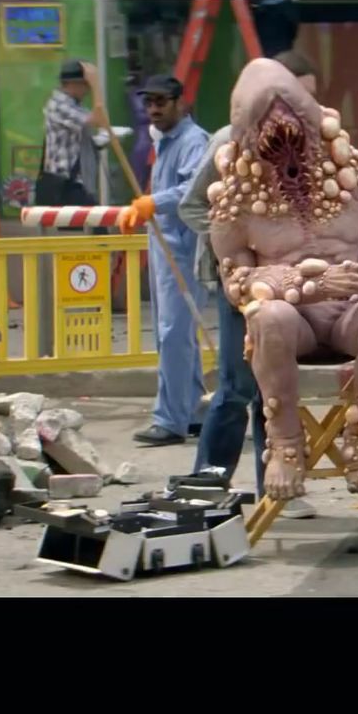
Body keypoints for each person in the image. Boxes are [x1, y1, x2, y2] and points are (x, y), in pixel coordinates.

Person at [178, 51, 319, 517]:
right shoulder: (228, 141)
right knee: (238, 387)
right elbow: (192, 206)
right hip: (237, 283)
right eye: (300, 95)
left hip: (291, 284)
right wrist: (238, 242)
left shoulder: (316, 146)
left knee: (273, 385)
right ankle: (207, 485)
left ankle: (274, 490)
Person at [119, 75, 210, 447]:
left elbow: (193, 189)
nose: (153, 110)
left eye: (161, 102)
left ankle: (169, 420)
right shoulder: (165, 142)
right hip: (163, 246)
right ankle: (192, 411)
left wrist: (153, 202)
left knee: (174, 334)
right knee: (172, 335)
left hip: (185, 251)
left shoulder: (194, 141)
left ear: (180, 102)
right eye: (149, 103)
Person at [39, 60, 104, 206]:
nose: (87, 90)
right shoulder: (59, 105)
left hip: (76, 181)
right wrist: (96, 86)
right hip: (66, 182)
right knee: (88, 226)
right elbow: (98, 119)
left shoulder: (73, 104)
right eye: (85, 85)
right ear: (72, 84)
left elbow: (97, 122)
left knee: (95, 225)